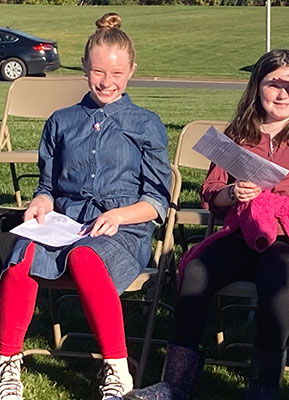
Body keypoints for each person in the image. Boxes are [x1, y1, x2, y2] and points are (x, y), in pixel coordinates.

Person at [125, 49, 289, 400]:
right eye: (274, 84)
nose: (282, 94)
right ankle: (176, 383)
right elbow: (211, 193)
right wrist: (233, 192)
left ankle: (262, 386)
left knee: (274, 276)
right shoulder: (239, 133)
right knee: (196, 269)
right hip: (248, 230)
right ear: (257, 86)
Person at [0, 12, 171, 400]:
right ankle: (7, 362)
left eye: (117, 74)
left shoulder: (145, 123)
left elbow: (157, 201)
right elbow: (48, 184)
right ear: (84, 68)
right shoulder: (62, 122)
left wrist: (119, 215)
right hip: (67, 223)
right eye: (98, 72)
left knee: (84, 258)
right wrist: (41, 202)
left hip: (123, 229)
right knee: (21, 254)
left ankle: (117, 369)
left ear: (132, 71)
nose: (107, 82)